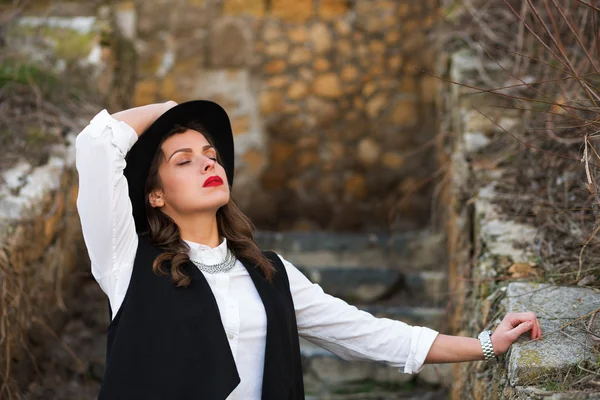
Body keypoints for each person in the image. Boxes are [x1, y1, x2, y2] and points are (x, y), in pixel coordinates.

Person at [75, 100, 543, 400]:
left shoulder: (268, 273)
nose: (207, 163)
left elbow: (365, 334)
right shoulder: (126, 263)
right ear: (155, 195)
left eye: (211, 154)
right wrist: (173, 109)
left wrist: (485, 345)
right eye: (184, 160)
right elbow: (97, 144)